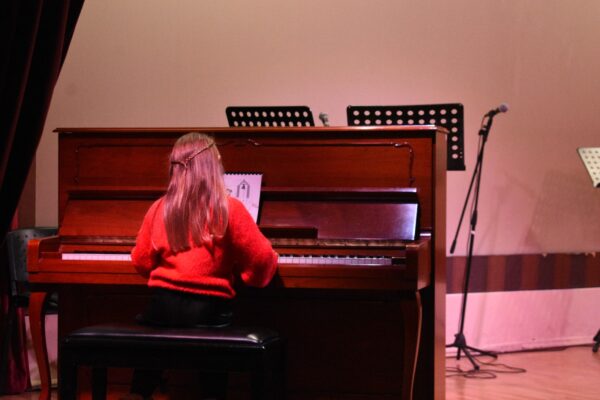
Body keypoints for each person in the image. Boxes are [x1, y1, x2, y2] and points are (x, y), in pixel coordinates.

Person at [125, 132, 278, 400]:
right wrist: (248, 274)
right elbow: (262, 261)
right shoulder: (229, 208)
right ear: (212, 166)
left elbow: (141, 261)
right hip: (209, 312)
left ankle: (138, 393)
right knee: (214, 349)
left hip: (162, 310)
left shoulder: (160, 208)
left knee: (154, 330)